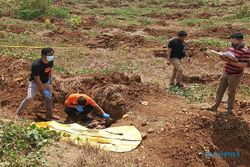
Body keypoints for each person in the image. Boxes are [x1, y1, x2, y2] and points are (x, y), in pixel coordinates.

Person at [207, 32, 250, 115]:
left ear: (239, 40)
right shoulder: (231, 47)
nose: (232, 41)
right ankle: (214, 106)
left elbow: (242, 65)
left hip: (235, 75)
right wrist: (221, 56)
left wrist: (230, 61)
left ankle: (229, 110)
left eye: (233, 39)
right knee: (219, 90)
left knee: (231, 92)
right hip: (226, 71)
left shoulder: (246, 51)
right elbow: (227, 57)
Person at [16, 47, 59, 120]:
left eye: (52, 55)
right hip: (35, 83)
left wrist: (49, 79)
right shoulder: (36, 65)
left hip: (45, 82)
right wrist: (43, 90)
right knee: (30, 97)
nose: (51, 56)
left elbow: (49, 70)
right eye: (49, 55)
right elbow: (37, 79)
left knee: (49, 98)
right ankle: (18, 114)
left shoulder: (50, 61)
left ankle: (50, 114)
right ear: (42, 55)